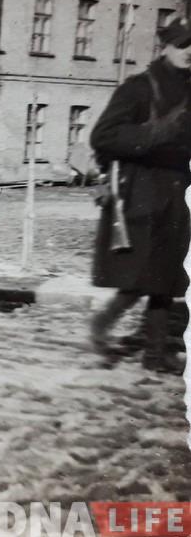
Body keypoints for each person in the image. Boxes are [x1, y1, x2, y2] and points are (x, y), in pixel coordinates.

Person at [88, 20, 191, 375]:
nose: (189, 51)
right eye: (182, 44)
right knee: (143, 273)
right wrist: (155, 133)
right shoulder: (138, 88)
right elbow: (102, 136)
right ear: (164, 47)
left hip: (180, 189)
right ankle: (102, 324)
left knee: (167, 272)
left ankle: (155, 354)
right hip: (141, 190)